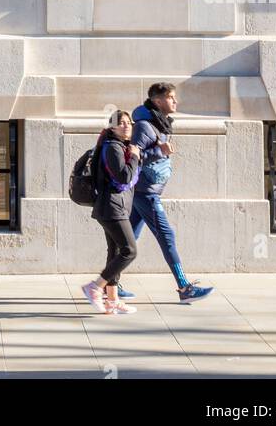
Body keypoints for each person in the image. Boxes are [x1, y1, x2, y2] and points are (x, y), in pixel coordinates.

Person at [129, 82, 213, 303]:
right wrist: (159, 151)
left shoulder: (160, 124)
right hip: (147, 193)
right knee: (167, 236)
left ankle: (107, 283)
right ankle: (185, 288)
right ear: (158, 101)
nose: (175, 101)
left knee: (128, 239)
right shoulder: (145, 126)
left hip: (148, 190)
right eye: (171, 97)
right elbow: (132, 158)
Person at [81, 109, 140, 315]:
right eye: (121, 123)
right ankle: (95, 287)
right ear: (112, 127)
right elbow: (124, 177)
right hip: (112, 207)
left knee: (115, 252)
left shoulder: (119, 146)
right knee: (129, 251)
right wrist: (134, 157)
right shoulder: (113, 147)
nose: (126, 126)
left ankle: (112, 301)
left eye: (129, 123)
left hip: (114, 206)